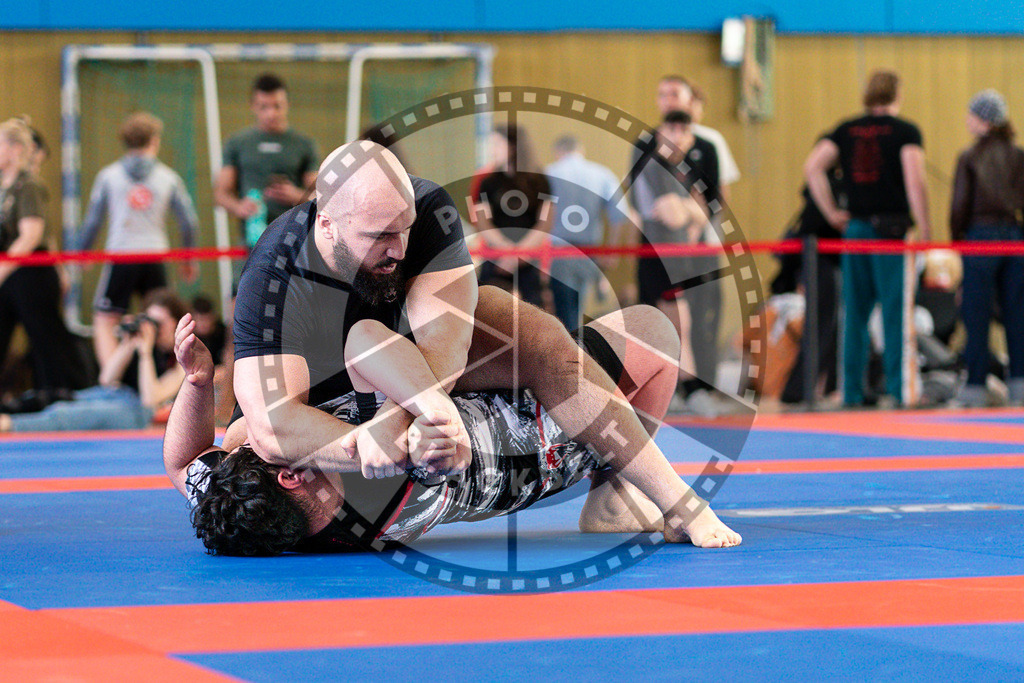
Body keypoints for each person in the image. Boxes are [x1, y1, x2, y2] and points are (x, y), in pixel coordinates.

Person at [230, 141, 737, 553]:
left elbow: (447, 347)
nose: (398, 250)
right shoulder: (275, 274)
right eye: (379, 236)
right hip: (329, 401)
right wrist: (361, 444)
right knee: (238, 440)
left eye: (403, 231)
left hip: (407, 368)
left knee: (525, 325)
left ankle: (667, 501)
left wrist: (407, 420)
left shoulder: (429, 213)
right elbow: (271, 427)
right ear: (326, 225)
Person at [166, 286, 742, 555]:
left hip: (510, 434)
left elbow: (183, 465)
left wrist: (197, 386)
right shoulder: (383, 482)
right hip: (541, 429)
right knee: (650, 334)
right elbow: (368, 342)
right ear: (291, 476)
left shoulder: (253, 506)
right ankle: (642, 495)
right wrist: (420, 409)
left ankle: (614, 490)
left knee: (647, 329)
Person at [805, 69, 931, 407]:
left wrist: (832, 212)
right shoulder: (906, 132)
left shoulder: (846, 130)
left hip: (855, 230)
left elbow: (812, 166)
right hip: (890, 231)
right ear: (897, 94)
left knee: (854, 314)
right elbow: (915, 182)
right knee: (896, 314)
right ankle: (901, 392)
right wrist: (927, 231)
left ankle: (851, 392)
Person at [79, 112, 200, 366]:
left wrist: (83, 253)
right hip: (155, 255)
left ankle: (110, 382)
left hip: (122, 255)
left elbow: (92, 221)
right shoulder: (168, 177)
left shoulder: (108, 176)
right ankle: (170, 377)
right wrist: (188, 258)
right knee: (165, 321)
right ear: (154, 141)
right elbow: (188, 222)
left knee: (105, 319)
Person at [0, 288, 186, 432]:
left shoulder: (180, 361)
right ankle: (7, 410)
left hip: (137, 413)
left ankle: (10, 424)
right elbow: (107, 380)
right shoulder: (144, 343)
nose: (155, 329)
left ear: (176, 322)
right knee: (55, 398)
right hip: (116, 395)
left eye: (160, 323)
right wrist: (128, 344)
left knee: (68, 415)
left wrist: (145, 354)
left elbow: (149, 401)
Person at [631, 111, 718, 410]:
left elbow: (703, 211)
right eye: (671, 130)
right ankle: (683, 387)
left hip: (683, 255)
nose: (677, 137)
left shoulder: (684, 167)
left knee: (683, 320)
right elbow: (671, 213)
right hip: (658, 255)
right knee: (673, 321)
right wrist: (688, 208)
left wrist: (687, 209)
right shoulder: (649, 164)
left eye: (683, 132)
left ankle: (679, 388)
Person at [0, 118, 90, 404]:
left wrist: (3, 270)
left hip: (30, 272)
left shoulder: (29, 185)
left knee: (43, 336)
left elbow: (33, 234)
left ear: (14, 149)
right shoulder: (5, 186)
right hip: (13, 271)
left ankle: (57, 393)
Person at [950, 90, 1024, 407]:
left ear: (983, 119)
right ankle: (1020, 383)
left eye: (971, 114)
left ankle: (976, 385)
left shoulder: (970, 157)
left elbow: (959, 206)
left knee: (976, 314)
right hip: (1015, 238)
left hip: (980, 239)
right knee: (1017, 312)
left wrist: (956, 240)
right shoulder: (1019, 156)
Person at [214, 73, 318, 252]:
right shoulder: (237, 142)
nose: (271, 113)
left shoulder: (304, 144)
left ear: (287, 105)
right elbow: (221, 194)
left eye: (277, 106)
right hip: (252, 243)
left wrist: (297, 196)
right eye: (264, 107)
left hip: (295, 243)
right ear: (253, 106)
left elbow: (322, 196)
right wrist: (239, 206)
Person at [544, 135, 632, 329]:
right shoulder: (602, 174)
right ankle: (578, 351)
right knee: (581, 306)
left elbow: (537, 217)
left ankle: (569, 352)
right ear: (581, 150)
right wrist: (611, 249)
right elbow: (619, 215)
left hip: (559, 251)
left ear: (559, 152)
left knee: (564, 310)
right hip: (590, 250)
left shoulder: (549, 172)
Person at [473, 125, 553, 308]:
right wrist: (506, 251)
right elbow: (483, 222)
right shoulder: (487, 182)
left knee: (535, 316)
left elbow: (545, 222)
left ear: (513, 146)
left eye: (497, 144)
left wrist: (520, 254)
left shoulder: (539, 180)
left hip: (529, 260)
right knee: (487, 313)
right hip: (496, 258)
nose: (492, 150)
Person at [673, 79, 741, 201]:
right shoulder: (660, 137)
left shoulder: (711, 139)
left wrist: (711, 217)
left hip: (703, 211)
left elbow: (722, 186)